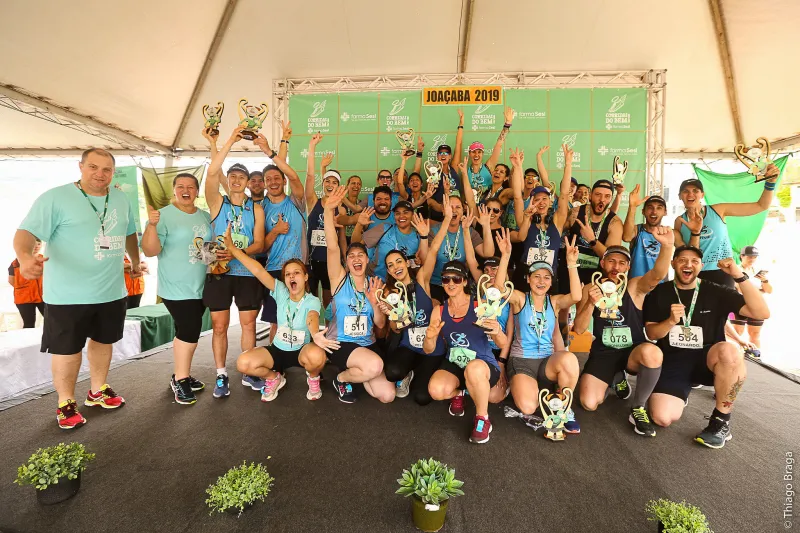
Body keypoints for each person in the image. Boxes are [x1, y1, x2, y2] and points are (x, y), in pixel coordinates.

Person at [15, 148, 137, 429]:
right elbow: (25, 233)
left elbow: (129, 231)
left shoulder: (120, 198)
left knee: (104, 342)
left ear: (113, 172)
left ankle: (97, 390)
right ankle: (65, 402)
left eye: (107, 169)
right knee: (67, 349)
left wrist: (136, 260)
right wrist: (24, 258)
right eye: (93, 167)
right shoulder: (55, 197)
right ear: (80, 166)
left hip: (111, 291)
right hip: (67, 295)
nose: (100, 174)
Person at [643, 248, 770, 449]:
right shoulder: (660, 292)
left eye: (694, 261)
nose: (688, 265)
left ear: (701, 266)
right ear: (674, 263)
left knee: (730, 352)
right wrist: (669, 321)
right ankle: (679, 393)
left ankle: (721, 421)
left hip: (708, 358)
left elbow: (762, 312)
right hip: (673, 360)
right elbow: (651, 334)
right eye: (683, 260)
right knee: (662, 418)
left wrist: (738, 275)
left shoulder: (716, 290)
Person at [574, 227, 674, 437]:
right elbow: (579, 328)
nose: (615, 267)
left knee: (652, 353)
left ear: (628, 267)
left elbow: (657, 275)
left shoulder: (635, 286)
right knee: (588, 402)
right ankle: (617, 377)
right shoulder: (590, 289)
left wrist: (667, 246)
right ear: (602, 263)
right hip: (604, 352)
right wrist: (591, 303)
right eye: (611, 261)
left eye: (621, 263)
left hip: (632, 351)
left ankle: (638, 407)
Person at [223, 227, 331, 402]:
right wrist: (233, 249)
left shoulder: (312, 300)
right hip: (278, 350)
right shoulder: (280, 290)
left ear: (305, 277)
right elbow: (258, 270)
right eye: (287, 274)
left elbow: (312, 317)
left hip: (301, 350)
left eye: (296, 273)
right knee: (243, 362)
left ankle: (313, 378)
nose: (291, 277)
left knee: (317, 355)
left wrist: (315, 335)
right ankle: (274, 378)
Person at [495, 229, 583, 437]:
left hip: (547, 362)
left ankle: (563, 407)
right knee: (528, 407)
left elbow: (577, 296)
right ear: (528, 279)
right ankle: (541, 392)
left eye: (546, 277)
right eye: (536, 276)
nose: (541, 281)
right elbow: (499, 289)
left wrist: (571, 263)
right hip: (522, 361)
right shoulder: (519, 298)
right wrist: (505, 256)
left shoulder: (554, 302)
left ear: (551, 282)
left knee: (569, 359)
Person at [204, 127, 266, 398]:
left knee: (249, 325)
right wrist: (225, 141)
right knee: (219, 326)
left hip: (246, 272)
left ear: (248, 182)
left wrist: (236, 253)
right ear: (227, 180)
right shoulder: (217, 202)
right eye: (233, 176)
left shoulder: (256, 207)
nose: (238, 180)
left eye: (242, 177)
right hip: (219, 271)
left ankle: (248, 370)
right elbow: (211, 172)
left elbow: (259, 244)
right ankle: (220, 374)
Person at [141, 173, 211, 405]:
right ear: (173, 190)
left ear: (197, 191)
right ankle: (180, 380)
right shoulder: (162, 216)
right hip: (175, 287)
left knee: (188, 330)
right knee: (190, 329)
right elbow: (150, 251)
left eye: (191, 186)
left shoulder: (205, 216)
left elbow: (209, 250)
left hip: (201, 287)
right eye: (180, 186)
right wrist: (151, 225)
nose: (186, 190)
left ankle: (183, 374)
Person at [322, 186, 396, 404]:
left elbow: (381, 325)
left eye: (360, 255)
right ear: (347, 262)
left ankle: (360, 370)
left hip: (367, 343)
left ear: (367, 260)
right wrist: (328, 211)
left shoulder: (376, 284)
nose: (356, 258)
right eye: (351, 256)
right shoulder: (339, 279)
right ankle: (342, 378)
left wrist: (375, 302)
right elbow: (332, 246)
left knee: (387, 395)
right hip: (342, 342)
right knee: (374, 366)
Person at [425, 260, 508, 444]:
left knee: (474, 369)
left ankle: (482, 418)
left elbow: (502, 342)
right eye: (447, 279)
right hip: (455, 362)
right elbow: (428, 349)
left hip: (482, 364)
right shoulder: (438, 311)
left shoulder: (480, 306)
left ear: (464, 281)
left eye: (456, 279)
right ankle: (460, 392)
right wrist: (430, 337)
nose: (451, 283)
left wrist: (497, 332)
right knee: (435, 390)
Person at [377, 205, 449, 404]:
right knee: (392, 372)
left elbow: (434, 251)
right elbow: (394, 328)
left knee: (422, 398)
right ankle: (408, 372)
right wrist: (393, 315)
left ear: (406, 263)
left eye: (398, 262)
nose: (395, 267)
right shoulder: (389, 292)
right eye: (390, 265)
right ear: (389, 271)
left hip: (431, 347)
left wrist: (428, 235)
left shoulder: (422, 280)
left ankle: (420, 371)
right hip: (409, 344)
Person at [673, 165, 779, 288]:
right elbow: (688, 254)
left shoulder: (719, 210)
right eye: (685, 191)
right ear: (680, 196)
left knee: (726, 307)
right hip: (694, 274)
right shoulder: (680, 221)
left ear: (702, 195)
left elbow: (761, 206)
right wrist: (695, 232)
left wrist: (770, 183)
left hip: (723, 271)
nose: (690, 194)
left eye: (695, 191)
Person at [256, 131, 307, 350]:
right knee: (276, 321)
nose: (273, 182)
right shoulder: (261, 208)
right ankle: (275, 362)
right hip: (274, 271)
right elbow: (262, 245)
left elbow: (295, 177)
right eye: (269, 180)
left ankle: (306, 362)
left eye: (277, 178)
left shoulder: (297, 200)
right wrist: (275, 231)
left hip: (300, 268)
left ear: (283, 180)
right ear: (264, 184)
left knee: (303, 318)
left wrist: (270, 152)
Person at [510, 145, 574, 290]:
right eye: (537, 199)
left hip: (549, 275)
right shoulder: (526, 218)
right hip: (526, 274)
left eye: (544, 198)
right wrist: (518, 167)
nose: (541, 202)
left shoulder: (557, 221)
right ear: (531, 201)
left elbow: (564, 194)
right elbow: (517, 197)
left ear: (550, 201)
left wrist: (568, 164)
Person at [428, 193, 493, 305]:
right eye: (450, 207)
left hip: (460, 283)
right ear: (444, 210)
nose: (454, 210)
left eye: (458, 207)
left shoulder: (469, 231)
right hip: (437, 283)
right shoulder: (433, 231)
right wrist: (447, 220)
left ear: (463, 210)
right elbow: (427, 258)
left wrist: (486, 226)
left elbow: (487, 253)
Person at [305, 134, 340, 309]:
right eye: (327, 181)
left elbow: (341, 236)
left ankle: (328, 332)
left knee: (328, 302)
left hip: (330, 261)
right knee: (310, 302)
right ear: (323, 183)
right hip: (311, 261)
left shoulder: (340, 208)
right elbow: (310, 179)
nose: (330, 184)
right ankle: (310, 335)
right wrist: (312, 148)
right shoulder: (313, 202)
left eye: (334, 182)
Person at [353, 201, 429, 280]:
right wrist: (359, 224)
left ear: (412, 215)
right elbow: (356, 245)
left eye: (405, 212)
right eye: (397, 213)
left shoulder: (419, 235)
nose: (401, 216)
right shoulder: (385, 228)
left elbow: (424, 263)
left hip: (401, 284)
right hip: (376, 280)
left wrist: (416, 261)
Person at [568, 179, 623, 286]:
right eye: (598, 195)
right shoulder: (575, 213)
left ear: (611, 199)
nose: (602, 200)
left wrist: (592, 240)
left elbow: (611, 258)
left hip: (596, 277)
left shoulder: (615, 223)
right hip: (570, 272)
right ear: (590, 196)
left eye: (607, 196)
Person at [454, 107, 514, 199]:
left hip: (489, 206)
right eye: (473, 152)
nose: (476, 155)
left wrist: (507, 125)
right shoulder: (465, 171)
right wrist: (461, 124)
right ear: (469, 154)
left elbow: (499, 145)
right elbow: (464, 192)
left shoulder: (489, 166)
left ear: (482, 154)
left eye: (479, 152)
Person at [730, 245, 771, 355]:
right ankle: (735, 356)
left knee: (755, 333)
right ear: (742, 256)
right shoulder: (736, 270)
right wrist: (757, 290)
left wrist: (765, 281)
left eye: (754, 257)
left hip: (756, 304)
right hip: (739, 304)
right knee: (737, 332)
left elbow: (769, 290)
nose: (752, 259)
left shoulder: (757, 272)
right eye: (749, 257)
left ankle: (756, 357)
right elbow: (739, 288)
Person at [623, 184, 669, 280]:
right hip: (636, 289)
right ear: (643, 211)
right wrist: (632, 207)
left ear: (665, 212)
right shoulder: (637, 230)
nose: (654, 212)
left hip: (660, 288)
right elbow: (626, 237)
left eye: (659, 208)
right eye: (650, 207)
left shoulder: (668, 234)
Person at [8, 239, 44, 328]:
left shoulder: (44, 260)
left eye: (39, 244)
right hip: (24, 299)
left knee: (51, 320)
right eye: (34, 244)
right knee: (29, 323)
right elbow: (11, 280)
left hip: (43, 297)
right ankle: (30, 341)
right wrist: (24, 289)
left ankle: (48, 340)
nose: (37, 246)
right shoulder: (16, 263)